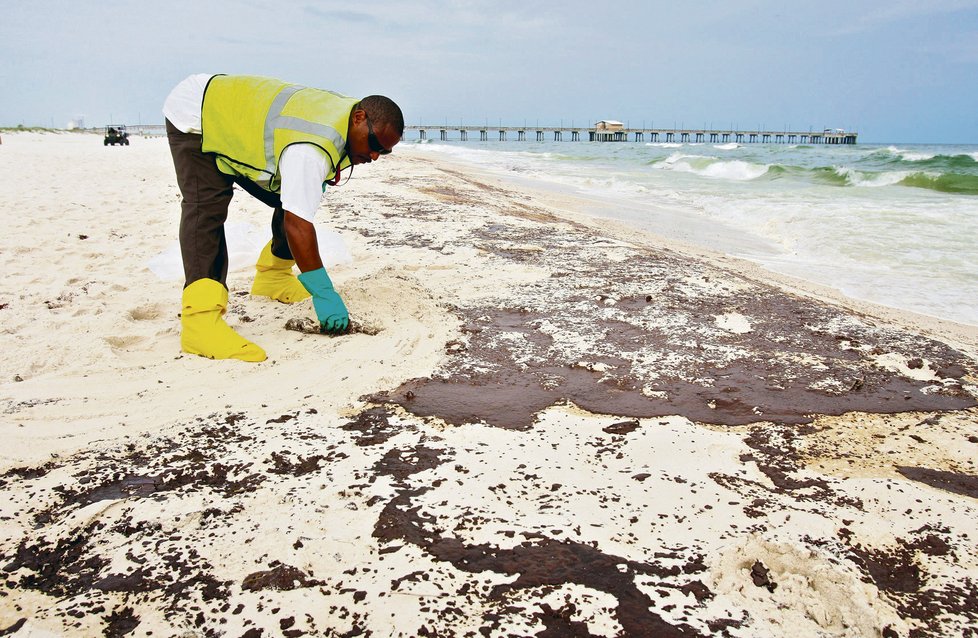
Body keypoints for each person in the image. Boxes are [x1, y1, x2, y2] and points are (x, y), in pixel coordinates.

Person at [162, 74, 403, 362]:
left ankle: (273, 277)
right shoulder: (311, 148)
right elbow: (297, 223)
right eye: (375, 143)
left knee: (297, 194)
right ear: (359, 118)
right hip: (197, 114)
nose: (375, 155)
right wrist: (323, 292)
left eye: (384, 152)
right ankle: (199, 322)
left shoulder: (345, 122)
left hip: (236, 119)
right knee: (206, 206)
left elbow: (298, 202)